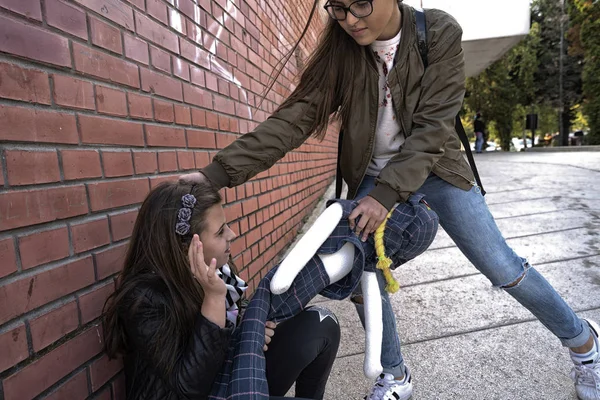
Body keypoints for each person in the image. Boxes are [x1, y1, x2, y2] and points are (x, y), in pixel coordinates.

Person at [179, 0, 600, 399]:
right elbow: (296, 117)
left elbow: (434, 127)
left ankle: (583, 344)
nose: (349, 18)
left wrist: (385, 195)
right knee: (361, 269)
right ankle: (395, 373)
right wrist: (216, 174)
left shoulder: (437, 32)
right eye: (338, 7)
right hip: (373, 174)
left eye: (360, 4)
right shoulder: (341, 50)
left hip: (437, 169)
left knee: (501, 265)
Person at [102, 181, 340, 400]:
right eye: (220, 231)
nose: (232, 234)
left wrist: (251, 328)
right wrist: (213, 299)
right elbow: (191, 388)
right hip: (203, 391)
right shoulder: (145, 299)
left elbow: (234, 318)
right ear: (186, 246)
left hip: (227, 375)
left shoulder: (216, 271)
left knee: (322, 323)